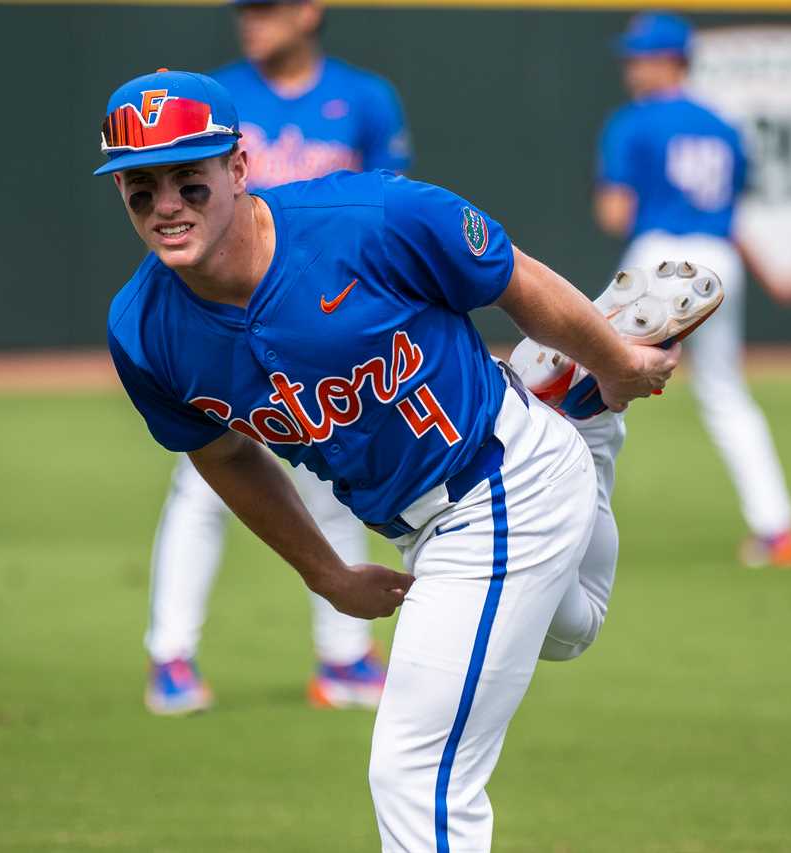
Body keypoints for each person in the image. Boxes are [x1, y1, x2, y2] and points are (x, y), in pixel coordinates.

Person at [97, 69, 716, 851]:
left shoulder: (368, 217)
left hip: (496, 485)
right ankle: (580, 419)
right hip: (436, 518)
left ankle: (580, 392)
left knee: (416, 773)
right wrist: (322, 571)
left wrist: (618, 362)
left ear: (238, 168)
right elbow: (222, 453)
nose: (166, 205)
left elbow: (514, 278)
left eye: (189, 180)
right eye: (140, 188)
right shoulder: (143, 329)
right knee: (570, 630)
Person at [144, 0, 412, 715]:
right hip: (230, 321)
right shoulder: (220, 96)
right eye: (244, 9)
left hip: (322, 324)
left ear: (309, 11)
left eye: (266, 7)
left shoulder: (364, 98)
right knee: (204, 483)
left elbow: (385, 208)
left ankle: (345, 658)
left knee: (334, 485)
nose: (249, 18)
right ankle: (171, 655)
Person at [596, 11, 791, 568]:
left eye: (640, 57)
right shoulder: (722, 125)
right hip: (718, 261)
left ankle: (569, 525)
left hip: (659, 261)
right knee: (724, 391)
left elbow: (615, 213)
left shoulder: (634, 123)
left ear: (670, 61)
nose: (631, 68)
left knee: (599, 387)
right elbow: (736, 197)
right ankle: (777, 527)